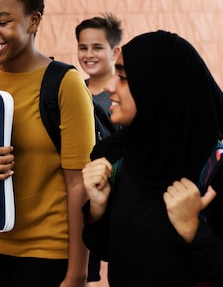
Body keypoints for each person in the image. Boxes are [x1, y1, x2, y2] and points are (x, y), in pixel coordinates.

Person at [82, 30, 223, 286]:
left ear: (158, 88)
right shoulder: (113, 156)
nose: (110, 86)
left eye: (123, 77)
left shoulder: (219, 170)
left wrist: (193, 230)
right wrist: (97, 209)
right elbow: (104, 251)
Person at [0, 0, 96, 287]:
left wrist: (77, 273)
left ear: (33, 22)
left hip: (46, 255)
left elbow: (79, 186)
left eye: (2, 22)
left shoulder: (65, 84)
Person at [75, 14, 122, 284]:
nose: (89, 54)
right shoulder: (74, 91)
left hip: (110, 195)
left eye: (97, 47)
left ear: (114, 51)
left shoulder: (120, 96)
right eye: (83, 47)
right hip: (79, 194)